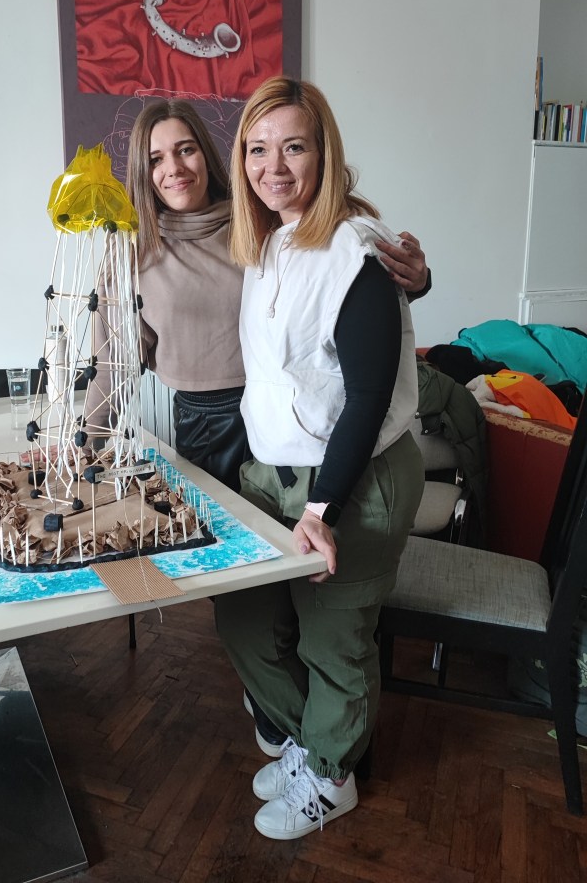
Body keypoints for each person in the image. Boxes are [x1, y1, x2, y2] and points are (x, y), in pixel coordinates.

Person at [214, 76, 425, 840]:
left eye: (294, 147)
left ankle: (333, 778)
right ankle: (312, 741)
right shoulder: (271, 240)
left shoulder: (355, 250)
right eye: (258, 149)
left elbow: (366, 399)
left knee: (333, 641)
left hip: (351, 480)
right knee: (244, 616)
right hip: (275, 471)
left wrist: (321, 509)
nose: (273, 167)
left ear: (323, 153)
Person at [84, 98, 429, 496]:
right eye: (156, 159)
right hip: (209, 424)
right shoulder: (131, 251)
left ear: (207, 154)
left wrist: (416, 281)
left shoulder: (260, 218)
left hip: (297, 411)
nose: (174, 168)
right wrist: (86, 442)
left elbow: (333, 294)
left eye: (186, 150)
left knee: (297, 529)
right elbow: (114, 362)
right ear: (142, 171)